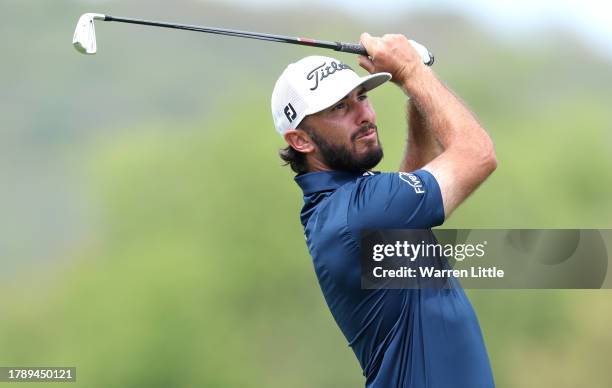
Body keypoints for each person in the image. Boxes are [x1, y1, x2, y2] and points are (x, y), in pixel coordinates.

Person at [271, 33, 497, 388]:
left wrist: (416, 84)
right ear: (301, 140)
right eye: (339, 108)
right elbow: (477, 155)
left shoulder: (348, 206)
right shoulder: (356, 214)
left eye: (361, 97)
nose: (364, 114)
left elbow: (410, 193)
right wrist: (410, 72)